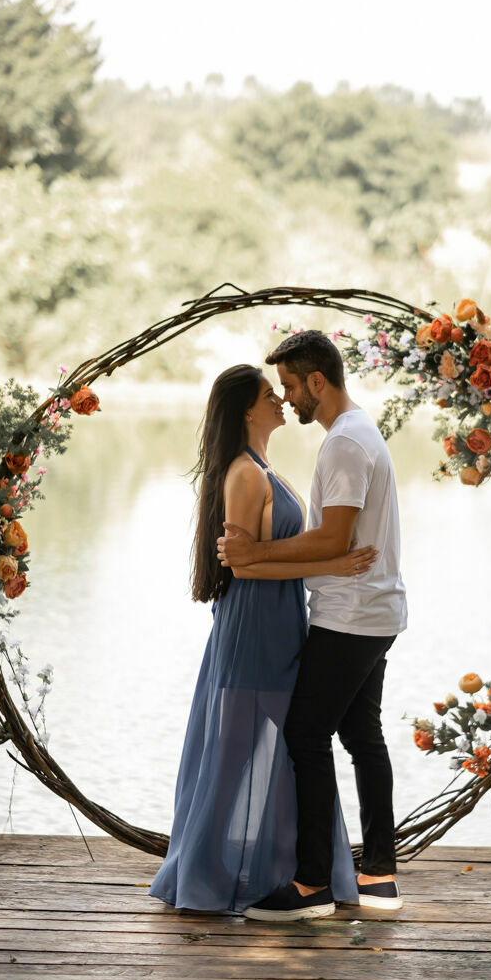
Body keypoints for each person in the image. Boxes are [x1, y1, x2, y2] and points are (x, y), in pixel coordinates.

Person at [148, 364, 377, 915]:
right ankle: (201, 876)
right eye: (269, 394)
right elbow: (245, 568)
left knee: (289, 749)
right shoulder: (245, 475)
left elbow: (259, 556)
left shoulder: (262, 466)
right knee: (235, 753)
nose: (280, 400)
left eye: (281, 391)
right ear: (247, 410)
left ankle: (296, 872)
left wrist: (328, 558)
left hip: (279, 623)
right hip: (254, 627)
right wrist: (332, 564)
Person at [217, 330, 407, 921]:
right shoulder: (356, 431)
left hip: (350, 614)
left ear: (317, 382)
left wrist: (253, 555)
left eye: (291, 385)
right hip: (374, 609)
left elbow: (333, 540)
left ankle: (311, 886)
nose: (287, 396)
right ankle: (378, 875)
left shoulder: (344, 443)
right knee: (362, 735)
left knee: (305, 734)